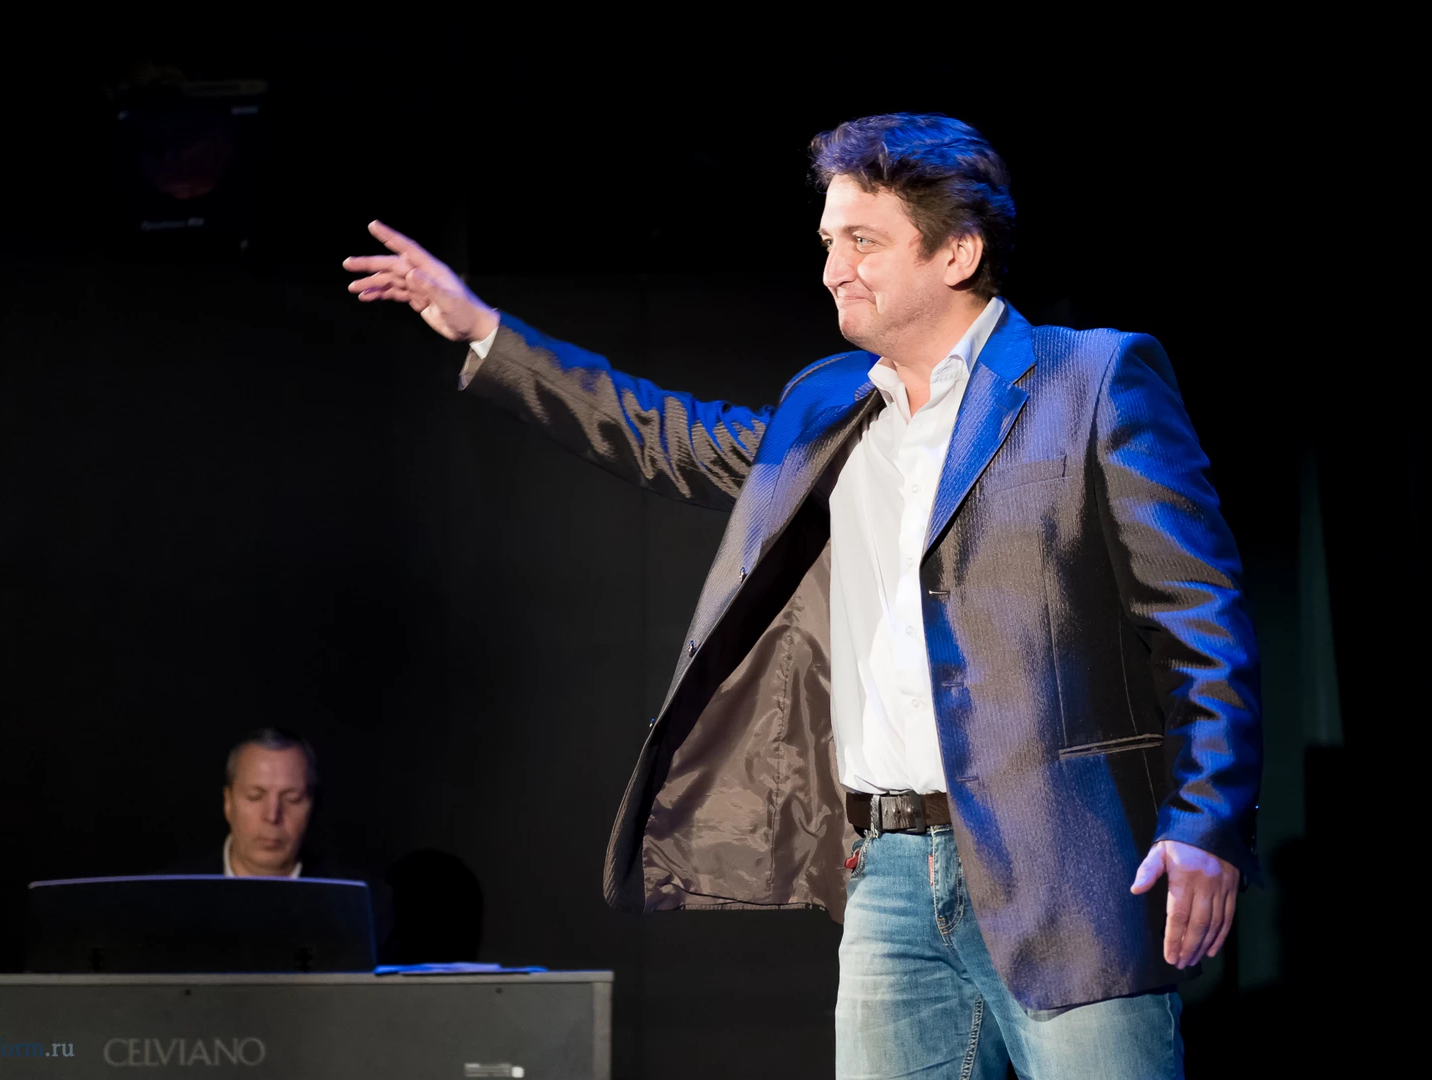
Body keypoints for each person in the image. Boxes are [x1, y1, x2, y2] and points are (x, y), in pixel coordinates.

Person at [344, 113, 1260, 1078]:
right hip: (887, 873)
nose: (832, 270)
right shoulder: (828, 402)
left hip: (1066, 866)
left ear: (956, 253)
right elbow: (664, 435)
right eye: (828, 241)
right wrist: (484, 332)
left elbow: (1199, 621)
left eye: (862, 241)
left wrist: (1204, 822)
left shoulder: (1092, 379)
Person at [168, 727, 392, 959]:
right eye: (255, 796)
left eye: (292, 799)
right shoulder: (168, 903)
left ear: (312, 806)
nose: (272, 815)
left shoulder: (366, 907)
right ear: (228, 802)